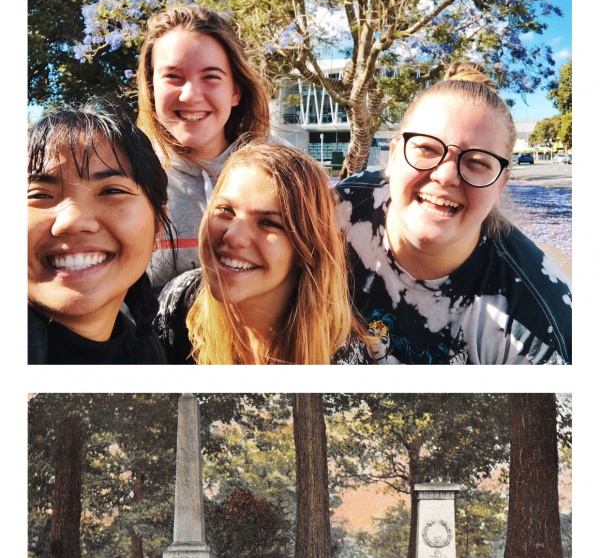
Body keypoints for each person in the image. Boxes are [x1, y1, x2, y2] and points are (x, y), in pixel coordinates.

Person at [336, 61, 572, 364]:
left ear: (500, 185)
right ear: (394, 156)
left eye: (477, 161)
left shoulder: (538, 323)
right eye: (427, 149)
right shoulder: (340, 209)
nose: (446, 176)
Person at [155, 142, 369, 364]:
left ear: (307, 247)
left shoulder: (340, 356)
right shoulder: (177, 302)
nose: (233, 236)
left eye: (269, 223)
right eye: (226, 210)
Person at [137, 4, 271, 288]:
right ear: (151, 88)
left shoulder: (282, 174)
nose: (191, 95)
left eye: (211, 77)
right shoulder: (126, 179)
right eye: (173, 77)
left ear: (235, 91)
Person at [28, 106, 174, 364]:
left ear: (157, 227)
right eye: (40, 195)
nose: (72, 221)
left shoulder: (149, 352)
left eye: (111, 191)